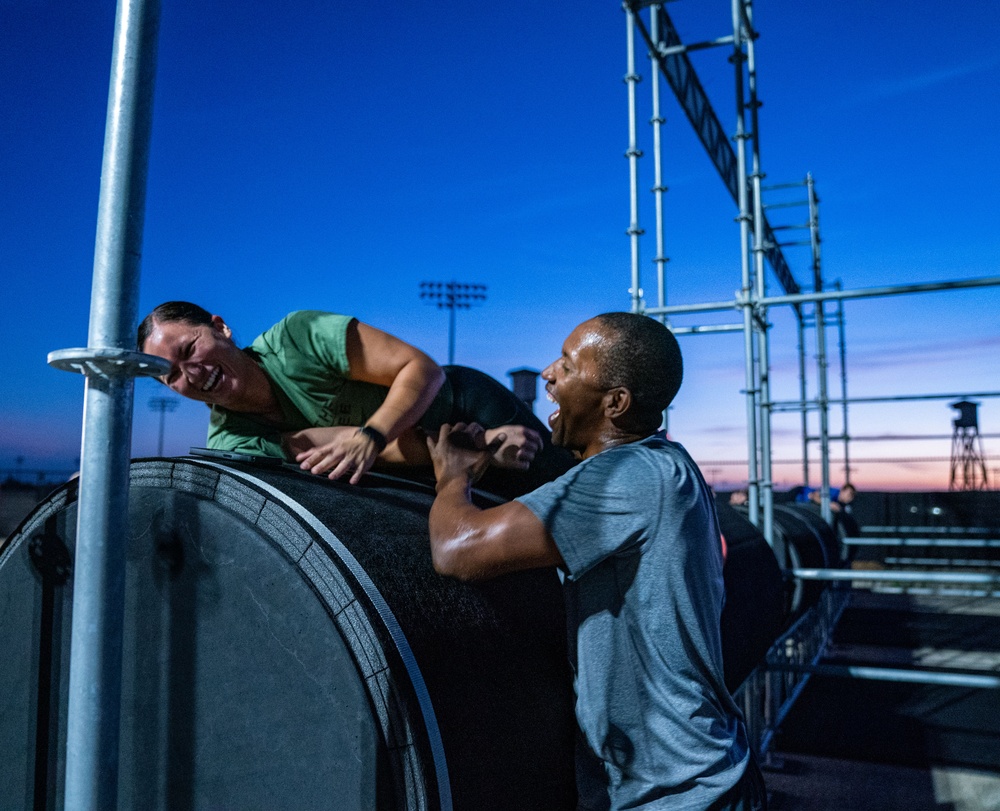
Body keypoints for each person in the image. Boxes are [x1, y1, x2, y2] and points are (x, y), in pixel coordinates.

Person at [425, 312, 765, 810]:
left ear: (616, 402)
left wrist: (453, 476)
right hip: (686, 786)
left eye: (567, 364)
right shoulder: (666, 465)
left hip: (680, 795)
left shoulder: (628, 476)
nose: (548, 373)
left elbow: (458, 550)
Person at [137, 302, 574, 495]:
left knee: (572, 492)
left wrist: (373, 434)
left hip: (465, 406)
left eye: (190, 349)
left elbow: (422, 370)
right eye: (171, 374)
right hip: (431, 458)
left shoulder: (297, 336)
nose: (191, 373)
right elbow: (353, 450)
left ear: (220, 327)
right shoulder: (233, 444)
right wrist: (473, 452)